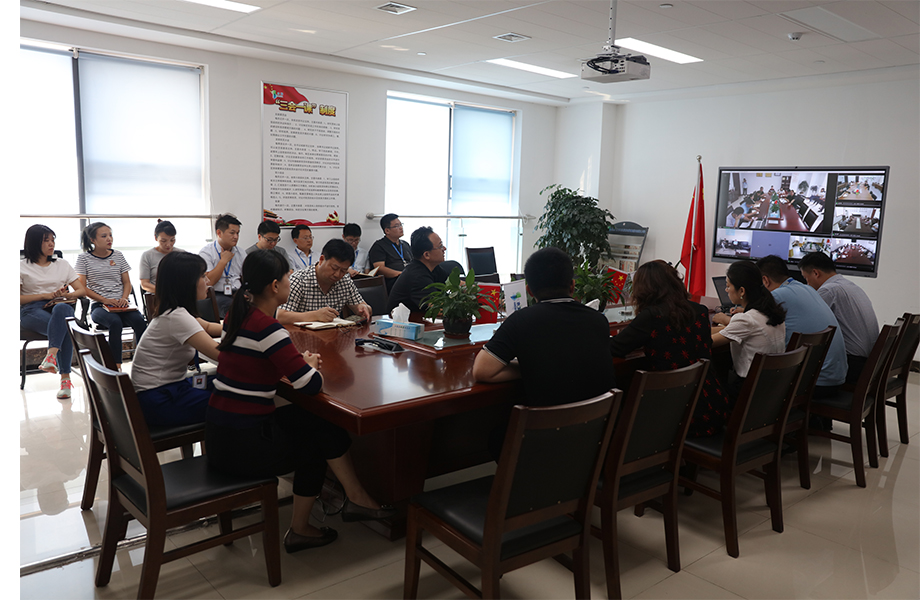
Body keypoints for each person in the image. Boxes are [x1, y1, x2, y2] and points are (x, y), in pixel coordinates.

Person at [205, 249, 394, 553]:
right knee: (314, 447)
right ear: (274, 286)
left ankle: (356, 497)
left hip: (220, 433)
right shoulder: (268, 329)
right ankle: (302, 529)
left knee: (319, 422)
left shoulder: (237, 315)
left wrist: (301, 365)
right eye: (287, 276)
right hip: (244, 445)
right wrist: (310, 365)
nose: (290, 280)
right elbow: (310, 385)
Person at [472, 247, 616, 408]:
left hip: (543, 424)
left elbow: (482, 371)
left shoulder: (520, 321)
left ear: (529, 291)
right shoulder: (598, 320)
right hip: (600, 421)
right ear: (572, 285)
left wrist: (531, 367)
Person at [609, 260, 731, 437]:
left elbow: (615, 348)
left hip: (676, 413)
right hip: (713, 402)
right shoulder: (700, 311)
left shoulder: (651, 316)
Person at [131, 252, 222, 427]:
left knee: (225, 382)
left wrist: (245, 327)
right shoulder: (177, 317)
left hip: (163, 390)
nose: (208, 281)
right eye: (203, 276)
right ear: (187, 283)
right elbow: (220, 355)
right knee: (235, 398)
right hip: (159, 400)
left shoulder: (173, 312)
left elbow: (209, 328)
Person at [755, 255, 847, 396]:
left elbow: (751, 323)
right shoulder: (807, 289)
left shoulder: (777, 295)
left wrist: (724, 318)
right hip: (834, 378)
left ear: (765, 281)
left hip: (813, 383)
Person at [20, 224, 86, 399]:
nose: (52, 244)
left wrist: (66, 295)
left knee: (63, 310)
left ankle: (51, 356)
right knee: (64, 327)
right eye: (46, 240)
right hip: (31, 310)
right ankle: (65, 380)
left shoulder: (62, 264)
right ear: (34, 242)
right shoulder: (20, 266)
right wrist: (44, 295)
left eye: (53, 240)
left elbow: (81, 291)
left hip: (58, 307)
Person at [798, 251, 879, 384]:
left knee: (795, 370)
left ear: (816, 273)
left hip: (853, 364)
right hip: (871, 362)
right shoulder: (850, 285)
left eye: (806, 279)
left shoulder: (828, 290)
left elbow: (808, 323)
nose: (807, 284)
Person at [75, 222, 147, 368]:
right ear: (92, 240)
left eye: (110, 235)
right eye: (104, 236)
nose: (109, 239)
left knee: (140, 321)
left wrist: (124, 298)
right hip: (99, 306)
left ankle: (143, 362)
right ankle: (115, 366)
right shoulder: (83, 258)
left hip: (122, 305)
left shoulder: (118, 255)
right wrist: (104, 300)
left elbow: (127, 282)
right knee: (115, 322)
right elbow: (82, 287)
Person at [711, 261, 786, 400]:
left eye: (728, 286)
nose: (726, 290)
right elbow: (727, 330)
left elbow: (708, 341)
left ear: (742, 291)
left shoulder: (746, 319)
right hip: (771, 388)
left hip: (749, 391)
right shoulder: (770, 312)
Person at [276, 239, 372, 324]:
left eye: (343, 270)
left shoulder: (345, 281)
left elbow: (361, 305)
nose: (337, 274)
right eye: (334, 268)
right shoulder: (299, 280)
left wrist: (364, 308)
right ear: (321, 259)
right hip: (302, 336)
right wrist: (315, 315)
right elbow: (280, 316)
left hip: (334, 335)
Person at [386, 226, 448, 315]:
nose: (444, 248)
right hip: (402, 322)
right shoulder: (417, 275)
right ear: (426, 255)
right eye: (440, 246)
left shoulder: (433, 267)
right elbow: (438, 309)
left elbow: (456, 284)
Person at [199, 213, 245, 318]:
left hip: (238, 292)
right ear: (219, 233)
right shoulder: (206, 252)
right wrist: (223, 262)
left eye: (237, 233)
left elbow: (247, 276)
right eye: (232, 233)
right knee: (232, 308)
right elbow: (209, 282)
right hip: (217, 294)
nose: (236, 237)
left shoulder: (240, 252)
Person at [368, 213, 412, 292]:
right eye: (396, 226)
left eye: (401, 224)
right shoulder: (379, 246)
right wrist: (401, 274)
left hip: (409, 278)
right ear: (387, 230)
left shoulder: (405, 244)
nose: (401, 228)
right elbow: (380, 268)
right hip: (393, 282)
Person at [139, 220, 183, 294]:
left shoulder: (182, 254)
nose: (168, 244)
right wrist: (164, 292)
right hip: (158, 295)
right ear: (156, 238)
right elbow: (144, 284)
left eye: (172, 240)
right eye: (163, 241)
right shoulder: (147, 256)